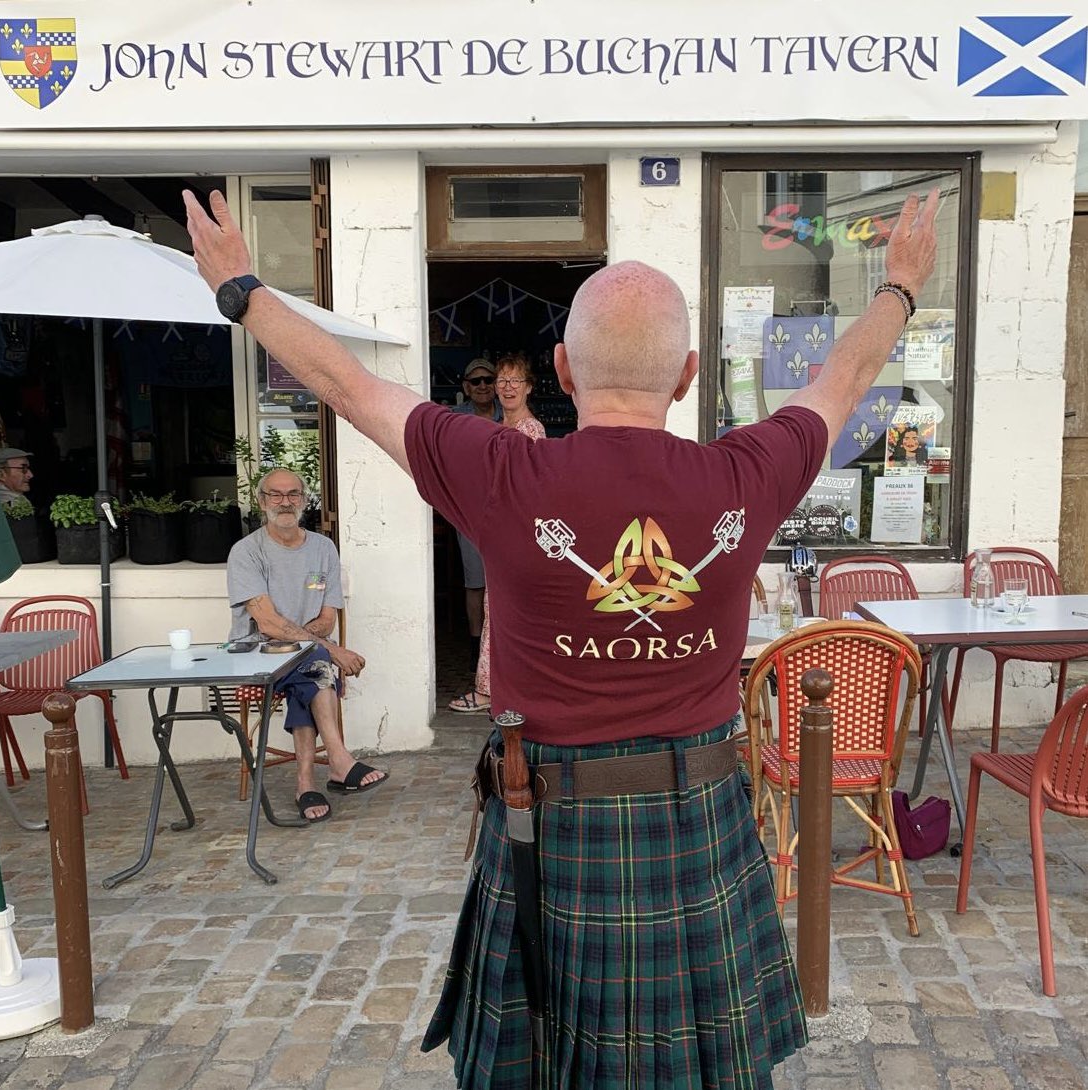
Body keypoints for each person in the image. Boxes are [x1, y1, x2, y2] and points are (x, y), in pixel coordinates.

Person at [186, 185, 938, 1089]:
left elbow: (350, 387)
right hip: (698, 820)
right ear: (688, 374)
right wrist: (898, 287)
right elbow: (842, 381)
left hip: (550, 823)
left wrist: (243, 292)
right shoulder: (749, 473)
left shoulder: (502, 471)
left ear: (563, 371)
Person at [226, 466, 388, 823]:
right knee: (319, 664)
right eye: (275, 495)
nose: (285, 502)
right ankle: (339, 760)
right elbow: (267, 624)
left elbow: (327, 619)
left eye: (293, 494)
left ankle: (306, 783)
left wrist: (308, 642)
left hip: (306, 655)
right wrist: (332, 649)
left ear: (304, 499)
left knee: (311, 672)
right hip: (258, 654)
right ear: (261, 501)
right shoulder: (246, 552)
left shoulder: (323, 548)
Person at [450, 354, 545, 714]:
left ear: (528, 387)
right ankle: (509, 691)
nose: (506, 387)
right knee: (499, 611)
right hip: (496, 534)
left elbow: (525, 490)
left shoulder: (530, 431)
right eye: (501, 381)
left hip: (515, 536)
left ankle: (491, 691)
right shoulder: (498, 427)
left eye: (515, 381)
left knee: (505, 612)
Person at [452, 359, 504, 676]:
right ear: (466, 387)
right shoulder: (455, 419)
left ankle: (501, 647)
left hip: (507, 511)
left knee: (505, 582)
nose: (483, 385)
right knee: (475, 583)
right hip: (471, 511)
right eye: (476, 381)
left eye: (488, 379)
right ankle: (476, 648)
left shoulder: (510, 414)